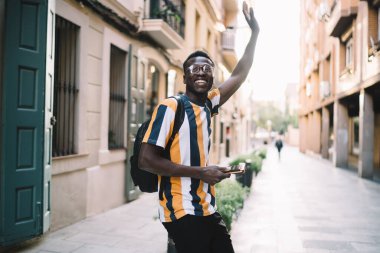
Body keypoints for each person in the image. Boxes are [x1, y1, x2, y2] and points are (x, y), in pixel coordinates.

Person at [138, 2, 259, 252]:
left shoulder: (209, 104)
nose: (201, 72)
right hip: (180, 211)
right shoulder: (171, 107)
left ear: (212, 77)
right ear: (185, 78)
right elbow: (146, 160)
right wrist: (202, 172)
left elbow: (239, 74)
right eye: (194, 69)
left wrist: (255, 34)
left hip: (207, 206)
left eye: (207, 69)